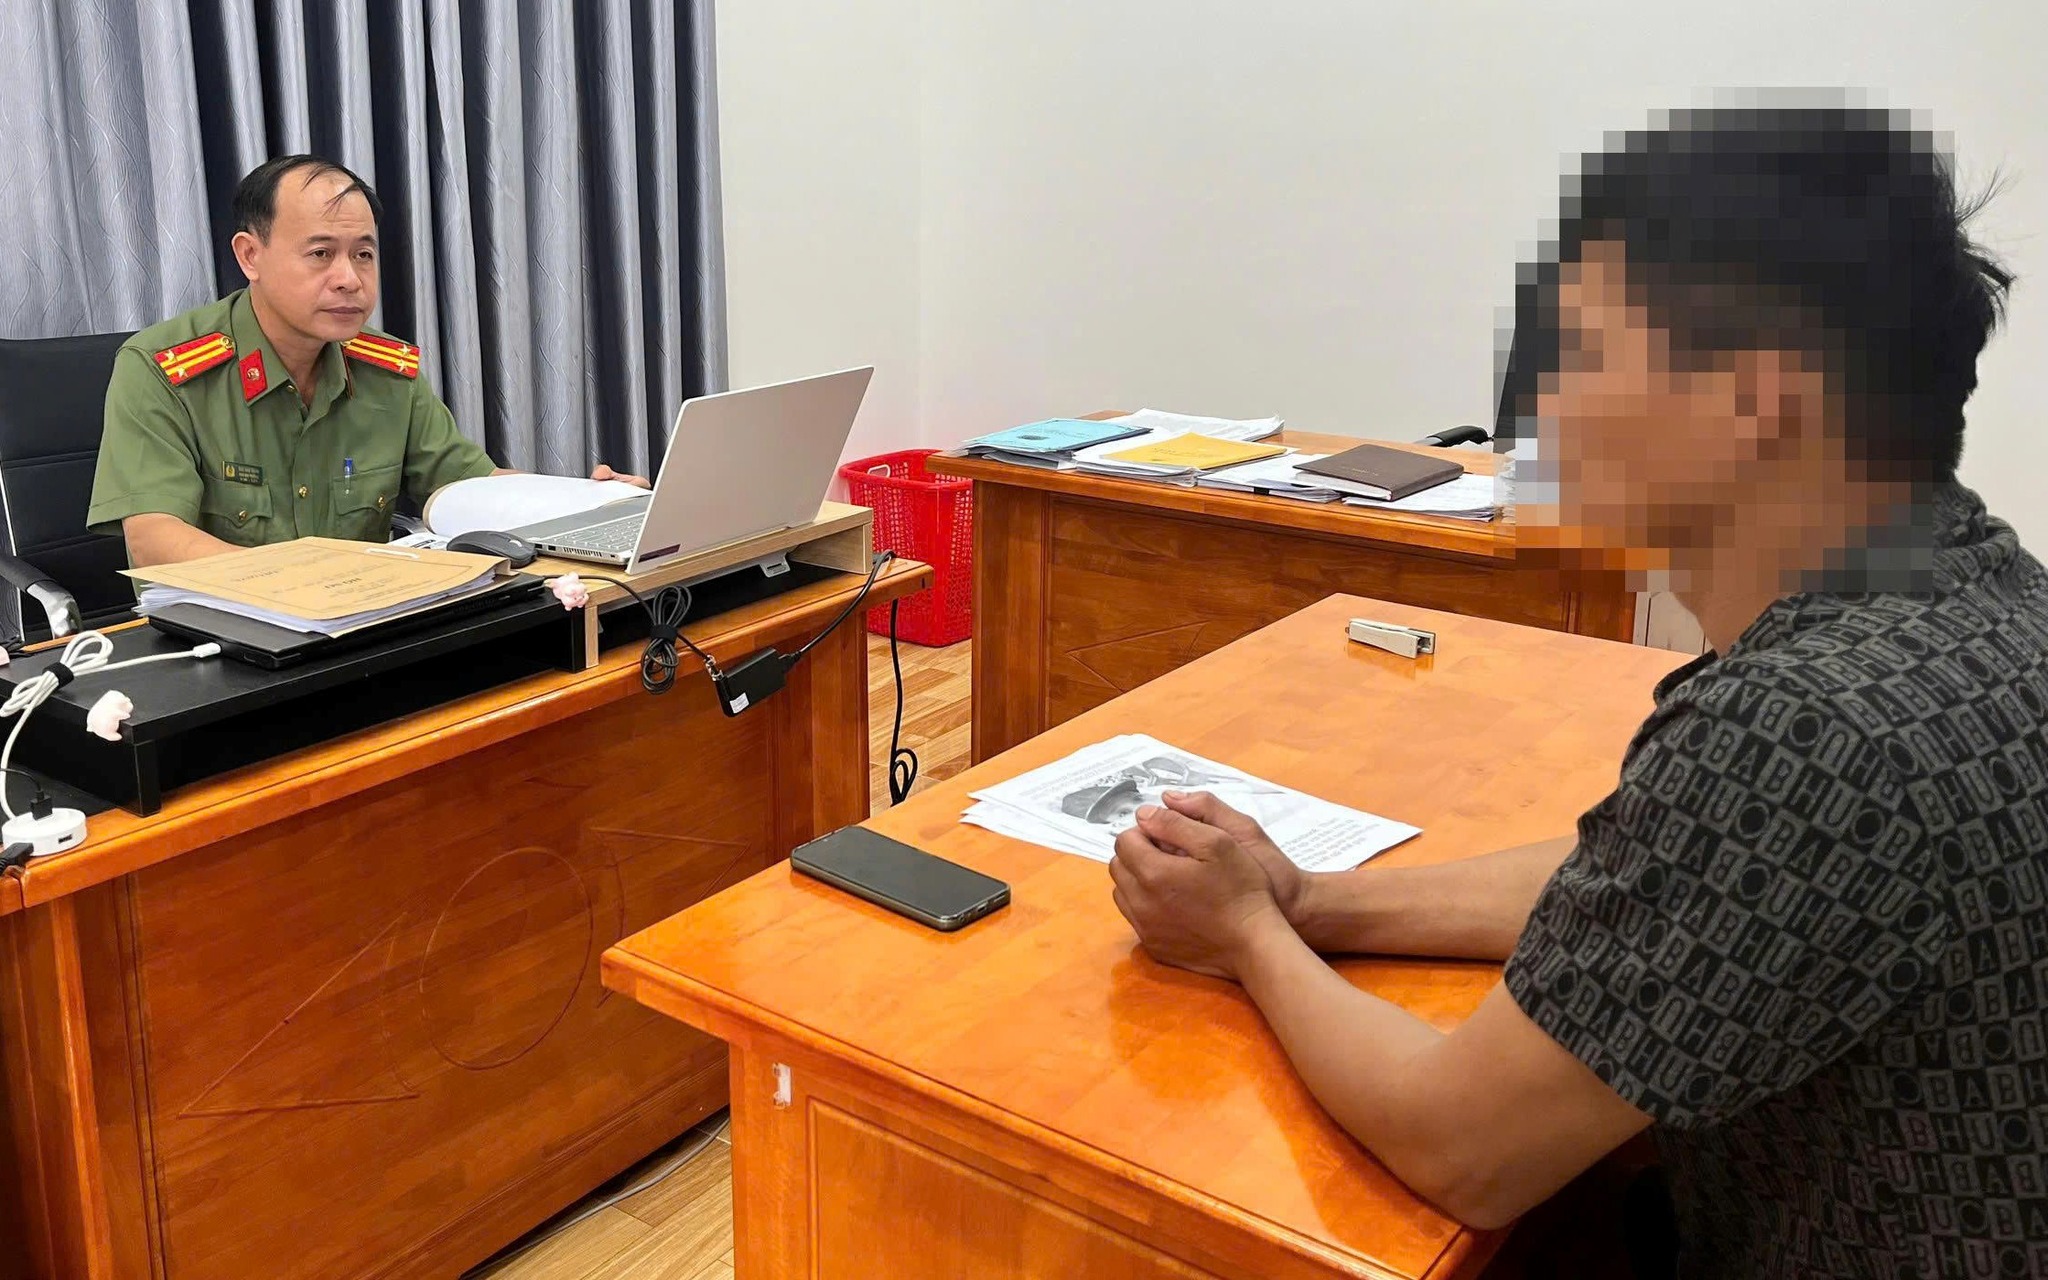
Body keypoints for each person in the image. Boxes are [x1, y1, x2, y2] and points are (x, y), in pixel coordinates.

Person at [1108, 103, 2046, 1279]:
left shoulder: (1804, 727)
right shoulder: (1980, 595)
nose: (1538, 409)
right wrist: (1307, 899)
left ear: (1754, 397)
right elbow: (1665, 878)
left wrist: (1245, 934)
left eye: (1584, 352)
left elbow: (1462, 1143)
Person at [86, 155, 646, 567]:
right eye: (321, 253)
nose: (349, 279)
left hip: (362, 637)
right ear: (250, 256)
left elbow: (470, 487)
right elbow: (154, 539)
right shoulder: (163, 370)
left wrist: (594, 505)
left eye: (363, 254)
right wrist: (300, 590)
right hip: (226, 641)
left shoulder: (386, 371)